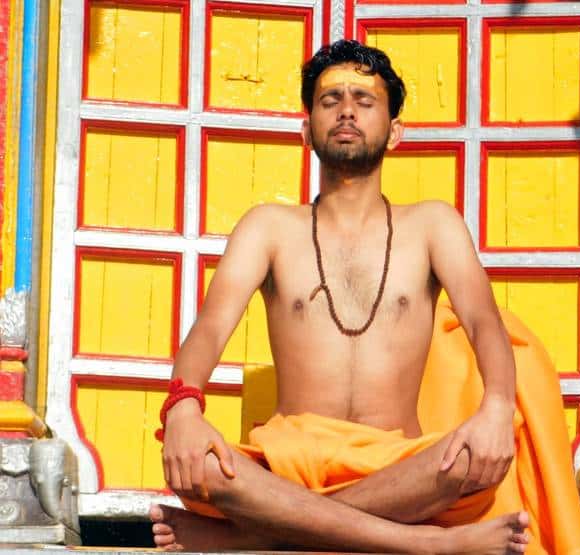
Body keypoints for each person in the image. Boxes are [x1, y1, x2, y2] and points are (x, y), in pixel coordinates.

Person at [149, 39, 530, 554]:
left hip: (399, 463)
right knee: (207, 468)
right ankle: (425, 546)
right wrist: (183, 411)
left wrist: (497, 406)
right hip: (290, 460)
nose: (347, 109)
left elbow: (484, 322)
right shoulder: (270, 227)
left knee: (468, 462)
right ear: (307, 129)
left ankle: (249, 539)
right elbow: (212, 326)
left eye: (364, 100)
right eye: (330, 100)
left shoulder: (433, 225)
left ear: (395, 132)